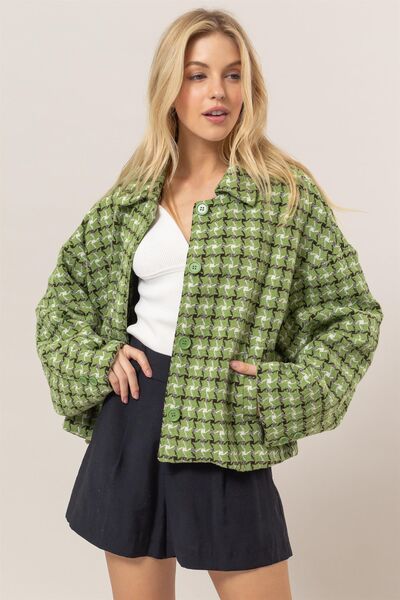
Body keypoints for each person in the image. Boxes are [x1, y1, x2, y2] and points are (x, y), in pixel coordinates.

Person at [35, 8, 383, 600]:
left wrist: (280, 391)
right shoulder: (131, 199)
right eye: (197, 75)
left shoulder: (281, 196)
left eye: (232, 74)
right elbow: (61, 302)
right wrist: (99, 360)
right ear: (170, 88)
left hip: (227, 422)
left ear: (249, 87)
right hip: (134, 419)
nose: (217, 92)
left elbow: (351, 315)